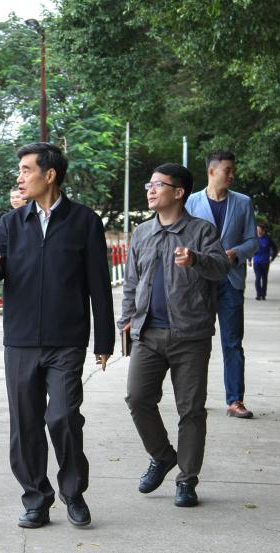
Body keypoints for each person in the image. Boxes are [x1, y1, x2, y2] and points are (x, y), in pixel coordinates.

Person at [0, 142, 114, 529]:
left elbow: (99, 284)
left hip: (66, 339)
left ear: (49, 175)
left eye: (26, 170)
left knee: (63, 416)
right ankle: (36, 498)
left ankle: (73, 491)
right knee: (25, 424)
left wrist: (104, 341)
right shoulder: (11, 223)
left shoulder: (85, 221)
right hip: (20, 340)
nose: (20, 177)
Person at [120, 164, 229, 508]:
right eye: (149, 185)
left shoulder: (201, 231)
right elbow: (132, 281)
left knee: (191, 410)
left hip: (190, 335)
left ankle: (187, 480)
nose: (150, 190)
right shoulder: (142, 232)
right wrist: (126, 320)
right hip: (148, 333)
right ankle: (162, 455)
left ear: (178, 192)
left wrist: (196, 259)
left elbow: (221, 268)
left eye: (158, 185)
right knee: (137, 398)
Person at [185, 151, 258, 418]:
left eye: (233, 170)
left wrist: (236, 252)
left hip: (230, 280)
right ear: (212, 171)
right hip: (199, 281)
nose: (232, 175)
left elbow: (252, 241)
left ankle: (235, 400)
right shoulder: (190, 202)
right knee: (196, 342)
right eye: (228, 170)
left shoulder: (243, 203)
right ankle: (194, 398)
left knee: (232, 342)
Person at [249, 223, 277, 300]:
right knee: (258, 278)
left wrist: (272, 257)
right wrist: (249, 260)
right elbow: (250, 249)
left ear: (263, 230)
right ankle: (258, 294)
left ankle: (263, 294)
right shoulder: (254, 239)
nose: (258, 231)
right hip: (256, 261)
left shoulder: (268, 238)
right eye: (257, 229)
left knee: (264, 278)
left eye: (259, 229)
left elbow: (275, 248)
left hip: (265, 262)